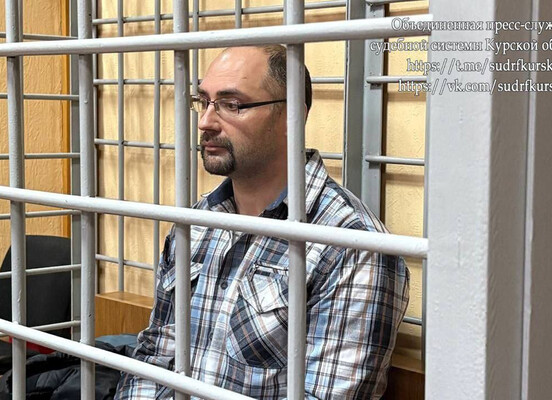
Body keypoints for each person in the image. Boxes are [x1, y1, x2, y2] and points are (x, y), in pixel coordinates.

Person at [115, 45, 409, 399]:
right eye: (203, 101)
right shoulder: (196, 222)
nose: (205, 121)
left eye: (232, 104)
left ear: (291, 117)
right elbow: (155, 358)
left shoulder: (352, 245)